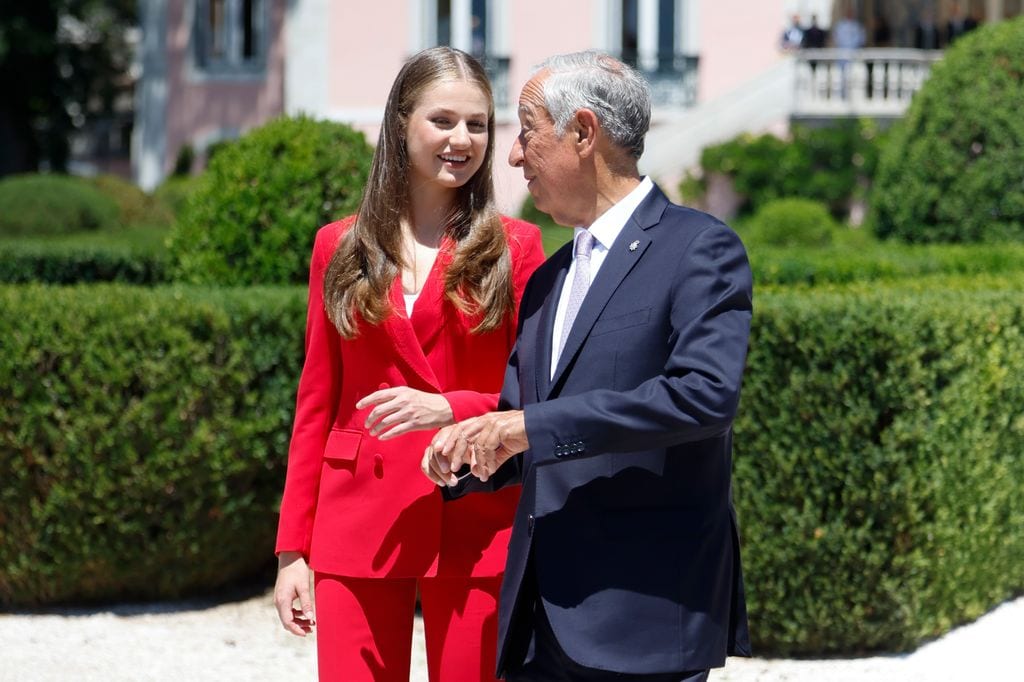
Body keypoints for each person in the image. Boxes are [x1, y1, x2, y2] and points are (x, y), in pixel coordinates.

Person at [423, 51, 753, 681]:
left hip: (644, 612)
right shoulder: (549, 278)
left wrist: (527, 428)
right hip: (537, 620)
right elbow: (524, 427)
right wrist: (469, 455)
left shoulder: (700, 247)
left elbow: (705, 396)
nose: (514, 156)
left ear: (582, 132)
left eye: (526, 131)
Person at [273, 46, 545, 682]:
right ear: (400, 122)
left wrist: (452, 407)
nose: (463, 139)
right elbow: (315, 401)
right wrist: (293, 551)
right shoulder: (337, 247)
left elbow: (535, 393)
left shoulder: (517, 247)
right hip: (356, 515)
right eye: (443, 120)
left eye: (478, 124)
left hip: (476, 516)